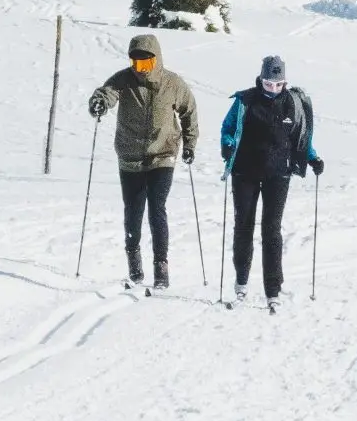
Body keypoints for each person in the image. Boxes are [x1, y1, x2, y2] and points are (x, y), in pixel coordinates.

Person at [89, 32, 199, 289]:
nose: (141, 69)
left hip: (163, 153)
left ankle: (161, 265)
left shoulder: (172, 83)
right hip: (130, 155)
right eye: (136, 64)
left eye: (146, 64)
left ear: (156, 60)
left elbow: (189, 111)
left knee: (157, 207)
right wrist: (99, 103)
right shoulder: (123, 80)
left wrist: (190, 144)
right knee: (133, 208)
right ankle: (134, 258)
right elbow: (107, 93)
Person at [219, 55, 320, 309]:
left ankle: (272, 289)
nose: (273, 89)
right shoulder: (246, 101)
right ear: (260, 80)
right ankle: (241, 282)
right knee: (244, 225)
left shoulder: (293, 104)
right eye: (267, 83)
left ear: (284, 82)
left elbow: (301, 137)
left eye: (278, 84)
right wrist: (227, 146)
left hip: (279, 174)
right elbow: (228, 128)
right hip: (245, 172)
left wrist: (312, 157)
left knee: (271, 229)